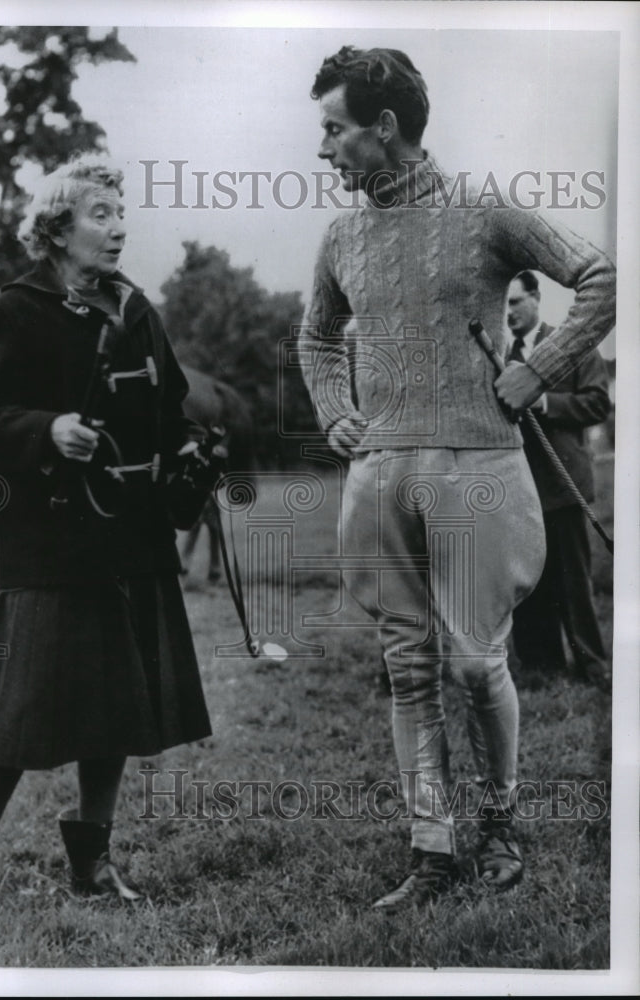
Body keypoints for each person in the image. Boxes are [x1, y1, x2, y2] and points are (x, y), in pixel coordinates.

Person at [299, 46, 615, 910]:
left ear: (385, 127)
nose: (323, 150)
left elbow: (601, 277)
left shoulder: (483, 210)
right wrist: (335, 413)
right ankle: (431, 849)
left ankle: (502, 826)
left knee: (476, 665)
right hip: (380, 473)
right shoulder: (342, 234)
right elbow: (317, 337)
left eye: (334, 131)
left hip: (479, 466)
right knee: (409, 668)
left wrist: (539, 369)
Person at [0, 155, 212, 908]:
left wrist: (191, 450)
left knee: (120, 707)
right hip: (53, 540)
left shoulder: (136, 310)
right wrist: (48, 428)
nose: (119, 228)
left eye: (121, 214)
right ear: (59, 229)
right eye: (101, 214)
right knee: (18, 709)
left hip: (132, 535)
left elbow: (171, 410)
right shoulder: (16, 310)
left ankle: (91, 866)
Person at [505, 270, 612, 691]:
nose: (508, 312)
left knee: (573, 582)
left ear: (535, 298)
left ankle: (591, 665)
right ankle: (540, 665)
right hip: (518, 490)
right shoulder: (499, 353)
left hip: (564, 486)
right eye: (503, 305)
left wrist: (545, 400)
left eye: (515, 302)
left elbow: (597, 403)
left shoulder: (570, 346)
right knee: (528, 584)